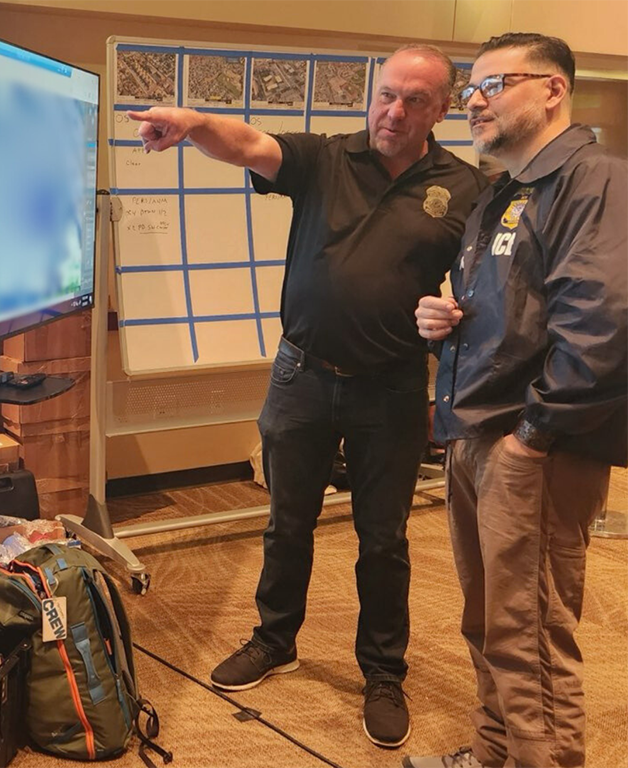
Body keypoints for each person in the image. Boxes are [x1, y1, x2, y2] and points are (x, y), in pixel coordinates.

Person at [129, 46, 488, 748]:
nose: (395, 110)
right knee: (286, 522)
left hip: (390, 388)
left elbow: (479, 290)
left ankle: (383, 671)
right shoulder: (326, 158)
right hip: (301, 376)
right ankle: (274, 638)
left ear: (441, 110)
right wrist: (194, 120)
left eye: (416, 100)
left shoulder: (466, 188)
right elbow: (249, 144)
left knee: (382, 540)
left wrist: (454, 316)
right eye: (388, 93)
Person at [406, 33, 628, 768]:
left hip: (536, 446)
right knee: (491, 619)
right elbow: (519, 310)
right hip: (478, 435)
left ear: (554, 90)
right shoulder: (504, 191)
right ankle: (493, 751)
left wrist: (533, 436)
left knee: (530, 630)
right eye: (471, 87)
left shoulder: (595, 182)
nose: (474, 99)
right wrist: (445, 317)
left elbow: (599, 327)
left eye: (495, 85)